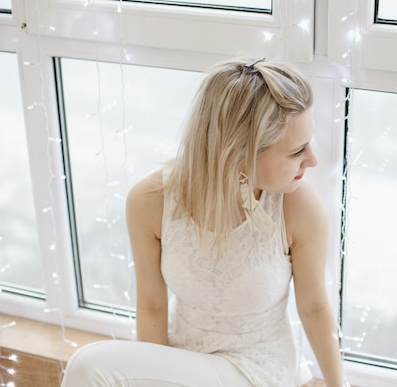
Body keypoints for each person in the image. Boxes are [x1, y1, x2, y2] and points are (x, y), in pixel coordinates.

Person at [61, 58, 347, 387]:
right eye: (297, 150)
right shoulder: (150, 201)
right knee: (90, 368)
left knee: (89, 367)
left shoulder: (298, 207)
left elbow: (313, 307)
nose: (312, 159)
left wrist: (338, 385)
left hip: (256, 372)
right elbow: (153, 306)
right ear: (241, 150)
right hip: (184, 364)